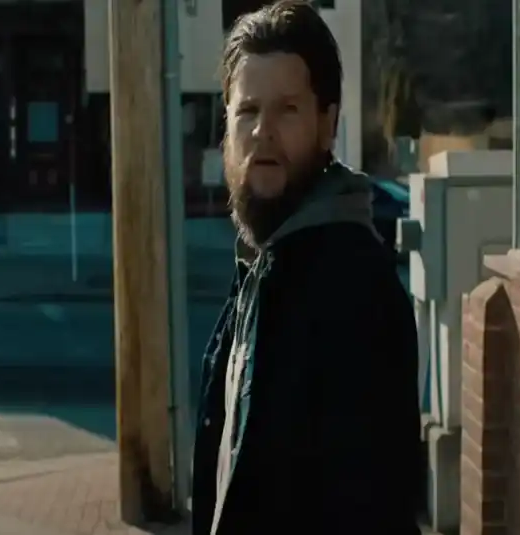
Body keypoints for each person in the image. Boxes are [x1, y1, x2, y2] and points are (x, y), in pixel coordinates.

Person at [191, 2, 421, 534]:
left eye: (287, 110)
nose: (263, 132)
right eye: (247, 112)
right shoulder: (261, 266)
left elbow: (370, 507)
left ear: (327, 125)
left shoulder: (353, 289)